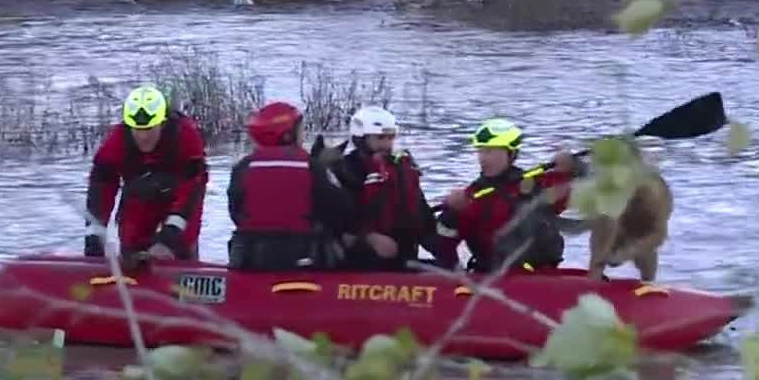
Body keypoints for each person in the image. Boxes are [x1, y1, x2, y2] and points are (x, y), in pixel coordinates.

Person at [83, 85, 209, 261]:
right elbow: (101, 186)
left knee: (179, 248)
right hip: (138, 208)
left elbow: (192, 192)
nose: (143, 136)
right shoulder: (118, 139)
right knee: (131, 246)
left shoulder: (185, 136)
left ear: (162, 123)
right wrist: (94, 237)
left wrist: (169, 238)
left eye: (149, 129)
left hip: (177, 206)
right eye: (137, 129)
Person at [435, 118, 577, 273]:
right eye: (480, 151)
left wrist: (570, 169)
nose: (483, 158)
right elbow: (442, 242)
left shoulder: (536, 184)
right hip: (495, 277)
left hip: (541, 274)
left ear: (512, 154)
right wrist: (451, 213)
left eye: (491, 151)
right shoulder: (471, 197)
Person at [226, 101, 355, 271]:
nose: (303, 135)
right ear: (287, 135)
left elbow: (236, 211)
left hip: (250, 257)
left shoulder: (242, 167)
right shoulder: (313, 167)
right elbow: (341, 209)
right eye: (301, 130)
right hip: (304, 256)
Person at [323, 105, 449, 271]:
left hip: (403, 256)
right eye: (380, 138)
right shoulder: (345, 170)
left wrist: (446, 255)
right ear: (361, 139)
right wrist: (368, 238)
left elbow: (422, 217)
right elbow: (334, 222)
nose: (387, 144)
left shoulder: (402, 169)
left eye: (390, 138)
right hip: (360, 260)